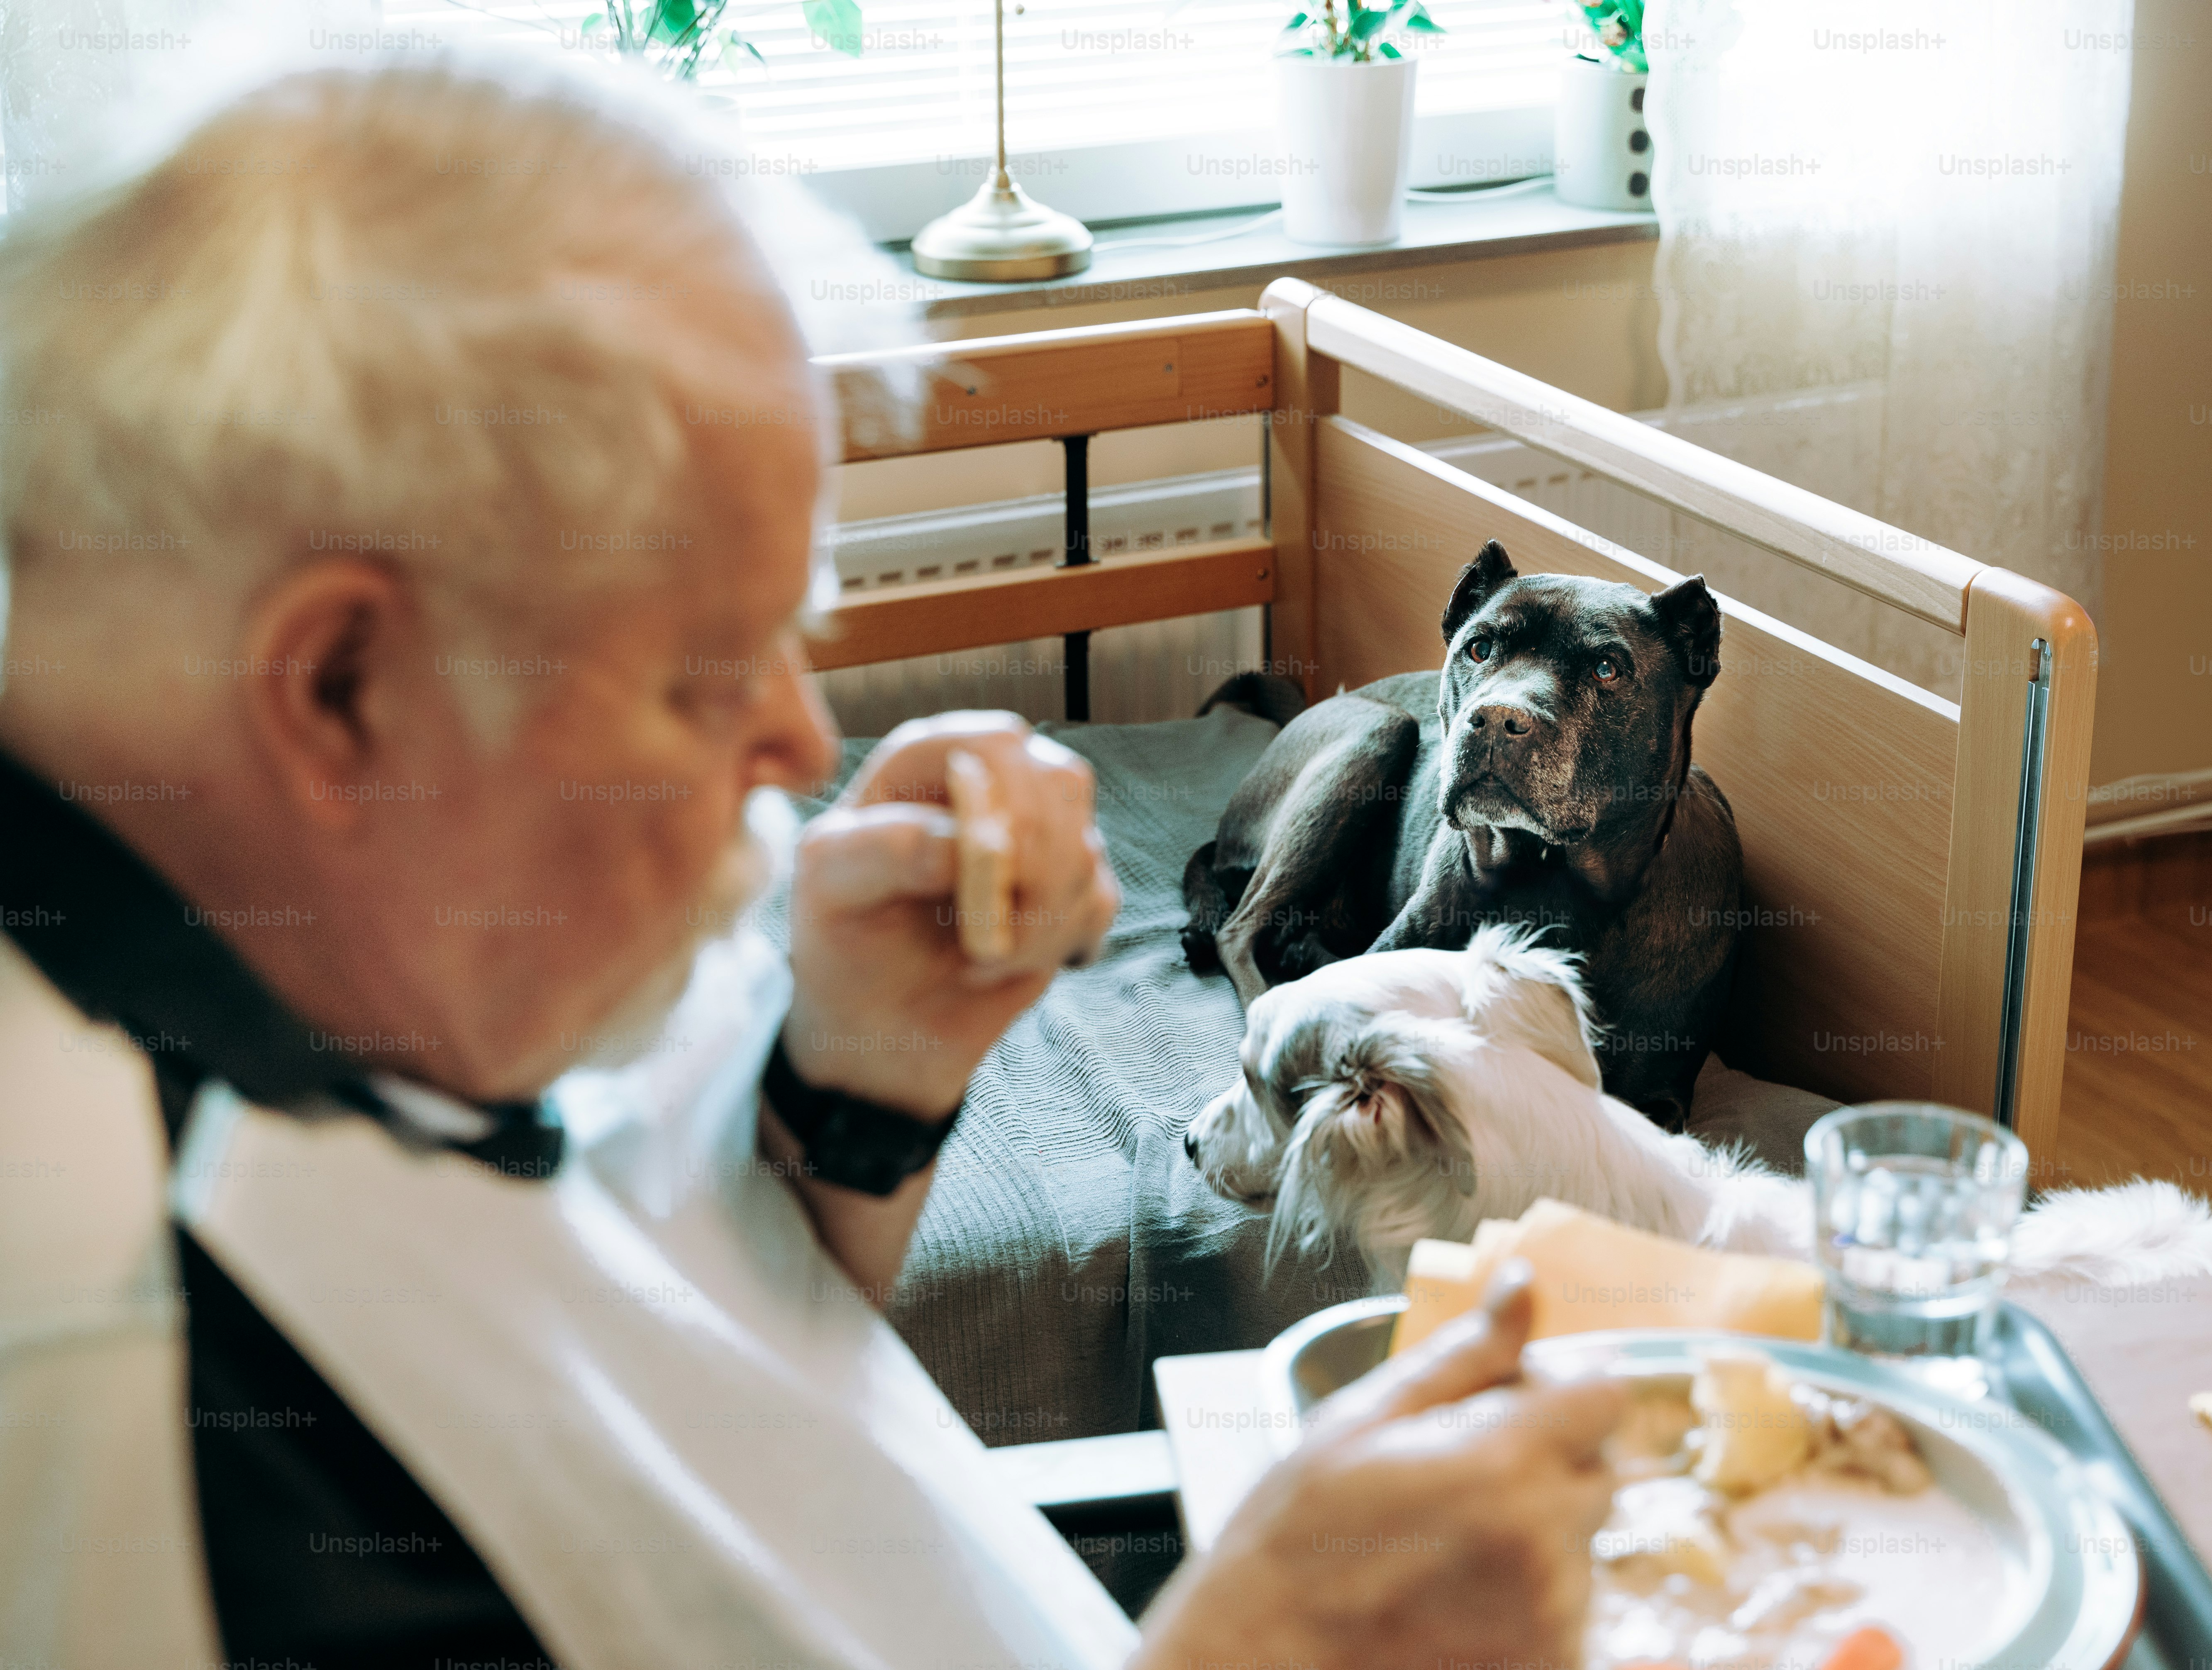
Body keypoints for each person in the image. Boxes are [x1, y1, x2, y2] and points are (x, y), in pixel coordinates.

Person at [0, 51, 1623, 1670]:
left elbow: (668, 1345)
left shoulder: (346, 953)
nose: (797, 743)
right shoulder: (127, 1390)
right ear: (337, 690)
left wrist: (859, 1077)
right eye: (710, 675)